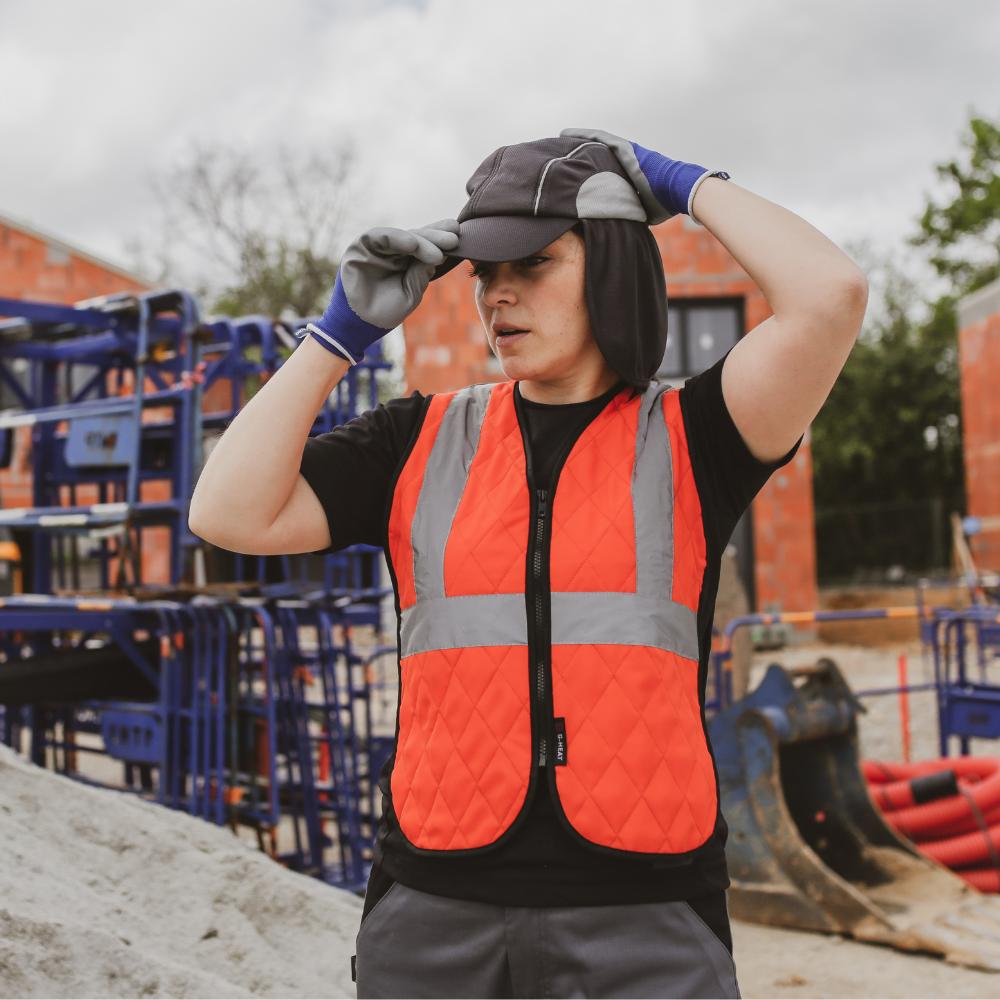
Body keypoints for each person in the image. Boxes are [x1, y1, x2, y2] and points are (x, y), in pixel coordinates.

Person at [189, 129, 868, 999]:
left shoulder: (698, 436)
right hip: (434, 908)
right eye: (482, 273)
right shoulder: (417, 441)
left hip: (646, 914)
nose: (497, 296)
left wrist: (678, 181)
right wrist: (338, 333)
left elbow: (829, 295)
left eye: (533, 264)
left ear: (613, 265)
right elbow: (226, 512)